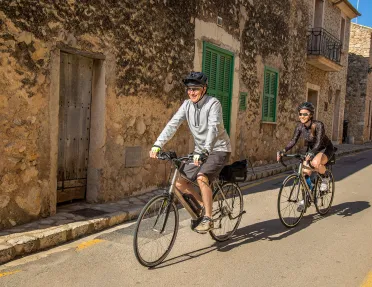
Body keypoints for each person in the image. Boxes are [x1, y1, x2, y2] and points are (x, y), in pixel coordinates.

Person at [149, 71, 231, 233]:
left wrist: (206, 151)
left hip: (218, 149)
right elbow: (173, 124)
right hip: (199, 152)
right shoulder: (187, 105)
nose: (191, 92)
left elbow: (213, 129)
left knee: (202, 177)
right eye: (189, 89)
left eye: (196, 89)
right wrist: (158, 144)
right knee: (179, 182)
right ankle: (202, 207)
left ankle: (208, 218)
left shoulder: (213, 104)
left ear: (204, 89)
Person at [277, 102, 335, 210]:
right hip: (311, 150)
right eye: (300, 114)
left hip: (324, 148)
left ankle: (325, 178)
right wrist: (283, 151)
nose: (302, 116)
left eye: (305, 114)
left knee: (315, 163)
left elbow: (318, 141)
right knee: (304, 172)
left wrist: (312, 153)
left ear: (311, 115)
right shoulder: (299, 127)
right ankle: (306, 197)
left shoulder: (318, 125)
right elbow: (293, 140)